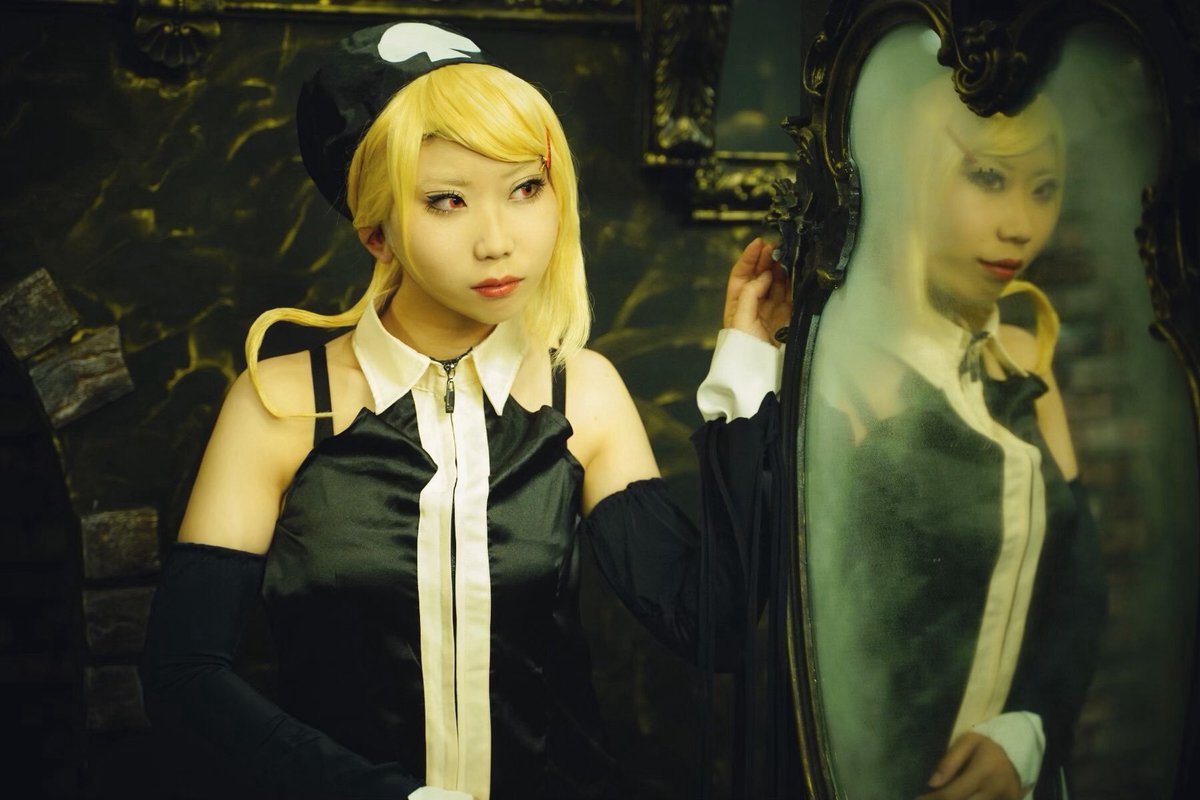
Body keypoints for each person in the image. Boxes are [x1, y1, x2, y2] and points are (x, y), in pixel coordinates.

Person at [139, 21, 790, 800]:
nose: (499, 241)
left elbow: (711, 624)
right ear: (376, 230)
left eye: (526, 189)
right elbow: (184, 677)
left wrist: (748, 359)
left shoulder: (579, 392)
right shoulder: (279, 403)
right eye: (447, 201)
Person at [802, 47, 1107, 800]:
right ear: (912, 177)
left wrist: (1029, 730)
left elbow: (1078, 590)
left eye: (1044, 189)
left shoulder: (1021, 360)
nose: (1021, 226)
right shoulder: (842, 368)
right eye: (988, 178)